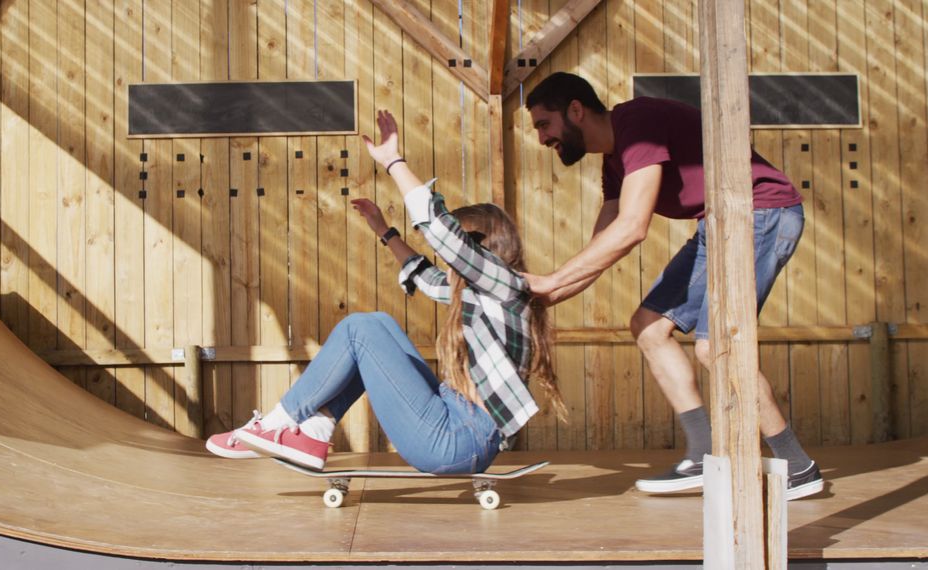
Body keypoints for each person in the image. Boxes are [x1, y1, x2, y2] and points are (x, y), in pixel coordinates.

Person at [205, 110, 567, 472]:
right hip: (458, 429)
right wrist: (385, 231)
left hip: (456, 439)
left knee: (358, 330)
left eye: (459, 254)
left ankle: (274, 424)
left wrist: (394, 161)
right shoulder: (486, 292)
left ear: (481, 249)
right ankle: (317, 428)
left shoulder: (503, 282)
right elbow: (426, 278)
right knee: (378, 326)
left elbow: (440, 230)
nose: (452, 262)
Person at [523, 72, 823, 500]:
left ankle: (796, 466)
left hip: (762, 213)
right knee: (648, 326)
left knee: (712, 345)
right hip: (719, 224)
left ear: (576, 110)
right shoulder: (615, 159)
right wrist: (545, 297)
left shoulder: (637, 123)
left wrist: (550, 282)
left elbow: (631, 228)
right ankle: (702, 455)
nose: (541, 138)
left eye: (543, 124)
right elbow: (604, 247)